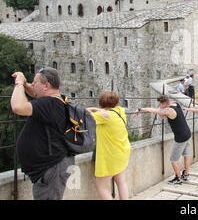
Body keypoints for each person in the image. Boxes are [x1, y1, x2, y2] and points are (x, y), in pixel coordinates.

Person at [11, 68, 75, 200]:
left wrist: (19, 83)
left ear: (46, 86)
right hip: (55, 165)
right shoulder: (60, 100)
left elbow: (18, 106)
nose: (32, 85)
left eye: (35, 82)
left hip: (50, 169)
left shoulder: (49, 104)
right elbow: (35, 93)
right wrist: (25, 84)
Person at [86, 92, 130, 200]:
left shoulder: (104, 116)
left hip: (110, 157)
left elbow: (82, 114)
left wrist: (94, 108)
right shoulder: (120, 111)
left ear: (101, 103)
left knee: (101, 186)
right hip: (122, 153)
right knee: (121, 182)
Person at [140, 95, 191, 184]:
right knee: (186, 154)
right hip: (187, 133)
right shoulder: (175, 104)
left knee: (173, 159)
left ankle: (178, 178)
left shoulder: (169, 110)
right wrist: (163, 112)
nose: (159, 106)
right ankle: (186, 174)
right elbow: (163, 113)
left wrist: (141, 109)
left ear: (164, 103)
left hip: (180, 137)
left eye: (160, 104)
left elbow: (155, 111)